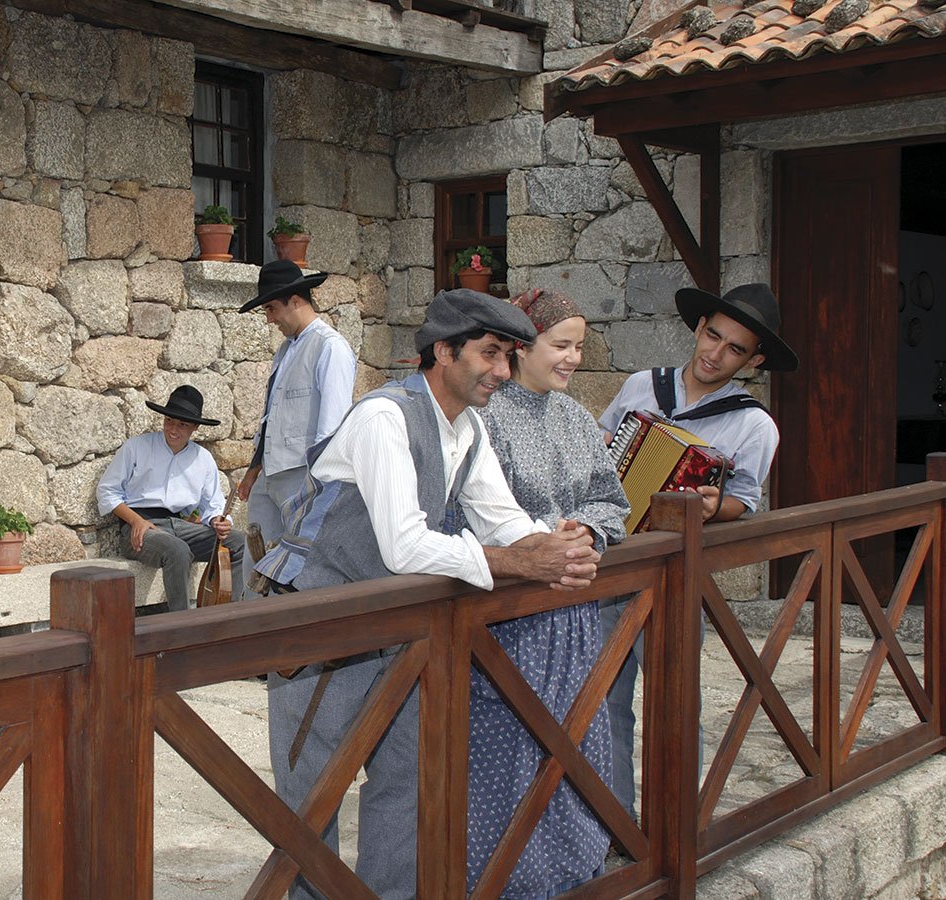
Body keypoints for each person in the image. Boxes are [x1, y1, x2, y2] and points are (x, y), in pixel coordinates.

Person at [254, 289, 603, 900]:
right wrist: (522, 561)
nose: (502, 371)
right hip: (323, 625)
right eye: (489, 353)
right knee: (313, 794)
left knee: (406, 782)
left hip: (402, 629)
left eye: (508, 356)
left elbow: (501, 518)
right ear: (443, 351)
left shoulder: (468, 427)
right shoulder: (383, 417)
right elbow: (406, 547)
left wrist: (556, 547)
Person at [597, 282, 799, 818]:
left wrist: (713, 506)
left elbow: (744, 499)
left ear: (754, 360)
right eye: (713, 336)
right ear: (699, 328)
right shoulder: (642, 387)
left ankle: (678, 824)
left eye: (735, 349)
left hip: (677, 577)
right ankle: (612, 821)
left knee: (676, 703)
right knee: (602, 699)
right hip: (611, 562)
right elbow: (599, 452)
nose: (715, 353)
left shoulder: (753, 424)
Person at [468, 289, 630, 896]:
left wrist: (584, 529)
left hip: (574, 617)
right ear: (520, 346)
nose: (573, 359)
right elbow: (470, 512)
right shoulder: (485, 416)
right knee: (509, 754)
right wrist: (538, 544)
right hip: (510, 618)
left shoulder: (575, 418)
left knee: (574, 745)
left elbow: (612, 499)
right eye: (561, 345)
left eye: (579, 347)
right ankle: (503, 882)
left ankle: (572, 875)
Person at [235, 260, 356, 570]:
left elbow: (332, 427)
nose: (269, 318)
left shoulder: (330, 347)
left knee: (296, 565)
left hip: (302, 476)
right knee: (255, 561)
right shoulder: (285, 350)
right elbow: (272, 415)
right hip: (271, 474)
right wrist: (254, 469)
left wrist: (317, 487)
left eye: (272, 308)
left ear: (296, 300)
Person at [97, 386, 247, 612]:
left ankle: (227, 615)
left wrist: (218, 520)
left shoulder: (203, 459)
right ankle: (181, 624)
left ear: (195, 427)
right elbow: (107, 491)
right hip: (139, 527)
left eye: (183, 424)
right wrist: (136, 521)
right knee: (177, 550)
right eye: (169, 421)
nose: (173, 429)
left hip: (181, 526)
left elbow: (213, 505)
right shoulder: (137, 447)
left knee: (239, 542)